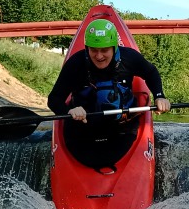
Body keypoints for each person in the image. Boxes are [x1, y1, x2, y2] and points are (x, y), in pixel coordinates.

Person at [48, 19, 171, 170]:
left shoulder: (129, 58)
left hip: (121, 129)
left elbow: (151, 73)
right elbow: (53, 100)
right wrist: (69, 111)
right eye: (94, 50)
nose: (99, 56)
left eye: (104, 50)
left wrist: (159, 96)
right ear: (87, 48)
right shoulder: (76, 63)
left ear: (114, 47)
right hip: (82, 131)